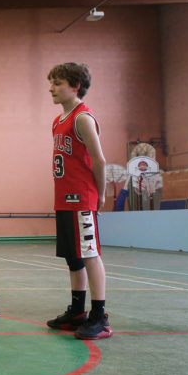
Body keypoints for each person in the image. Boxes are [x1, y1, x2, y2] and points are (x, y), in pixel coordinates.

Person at [46, 63, 111, 340]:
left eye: (58, 83)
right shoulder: (59, 120)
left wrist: (101, 195)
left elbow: (99, 160)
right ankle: (77, 311)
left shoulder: (83, 118)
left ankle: (100, 316)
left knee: (89, 254)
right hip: (63, 198)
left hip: (82, 198)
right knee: (73, 258)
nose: (51, 88)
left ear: (75, 86)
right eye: (51, 82)